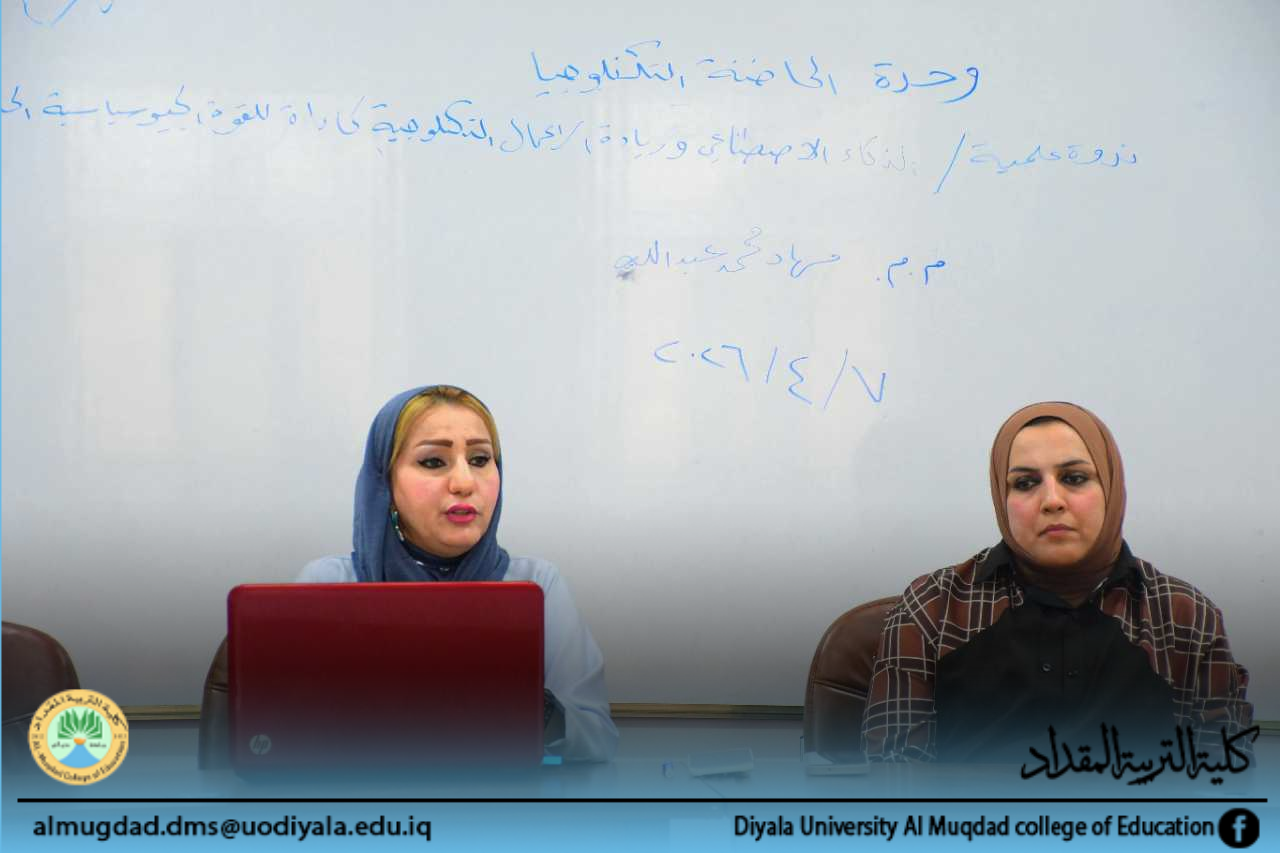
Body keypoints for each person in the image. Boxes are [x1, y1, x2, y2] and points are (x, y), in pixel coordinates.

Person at [861, 402, 1253, 763]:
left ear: (1111, 488)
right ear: (1001, 497)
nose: (1052, 500)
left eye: (1074, 478)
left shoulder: (1185, 616)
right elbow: (894, 779)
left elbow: (1222, 781)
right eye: (1025, 483)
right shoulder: (933, 607)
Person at [300, 385, 618, 762]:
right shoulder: (329, 585)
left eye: (481, 459)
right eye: (434, 462)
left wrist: (533, 707)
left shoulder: (534, 584)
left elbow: (597, 739)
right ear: (385, 484)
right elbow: (279, 736)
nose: (465, 483)